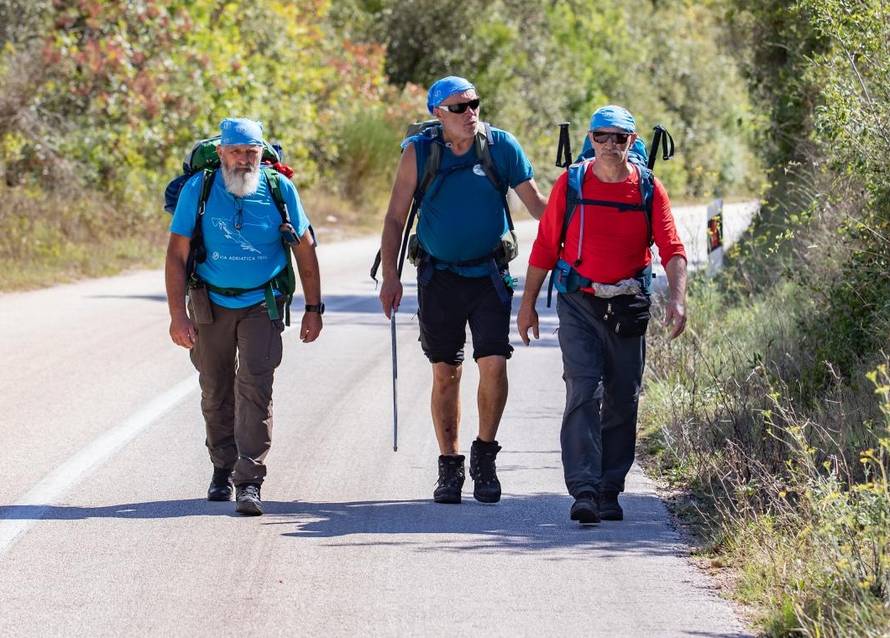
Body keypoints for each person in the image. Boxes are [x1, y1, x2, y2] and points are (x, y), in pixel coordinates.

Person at [378, 76, 547, 504]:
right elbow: (396, 217)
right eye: (459, 107)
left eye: (474, 104)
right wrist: (392, 278)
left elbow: (539, 206)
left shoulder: (502, 147)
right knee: (444, 372)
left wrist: (576, 222)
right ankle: (449, 466)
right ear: (438, 113)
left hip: (490, 275)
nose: (470, 113)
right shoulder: (420, 153)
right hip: (438, 278)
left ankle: (485, 457)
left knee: (494, 364)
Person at [517, 105, 687, 525]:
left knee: (623, 397)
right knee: (583, 390)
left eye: (619, 138)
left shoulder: (648, 188)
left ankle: (610, 489)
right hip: (579, 301)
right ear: (590, 140)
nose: (610, 145)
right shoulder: (571, 183)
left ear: (632, 142)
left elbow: (672, 247)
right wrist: (527, 305)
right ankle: (585, 490)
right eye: (602, 136)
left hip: (628, 302)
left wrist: (677, 299)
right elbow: (544, 247)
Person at [165, 118, 323, 516]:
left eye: (251, 152)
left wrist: (314, 308)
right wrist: (176, 315)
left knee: (255, 389)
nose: (243, 160)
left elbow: (305, 250)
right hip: (209, 302)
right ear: (221, 153)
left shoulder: (278, 188)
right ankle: (222, 466)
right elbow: (176, 254)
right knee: (215, 389)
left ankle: (249, 479)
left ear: (260, 153)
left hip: (262, 303)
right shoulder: (198, 190)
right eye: (236, 152)